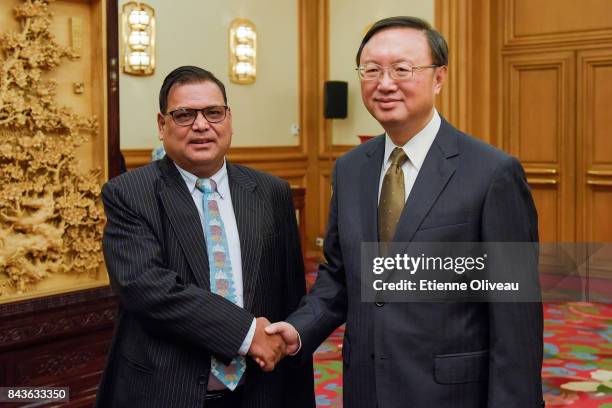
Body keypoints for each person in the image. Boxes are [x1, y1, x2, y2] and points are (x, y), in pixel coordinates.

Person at [267, 16, 544, 407]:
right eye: (372, 70)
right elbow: (339, 279)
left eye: (402, 69)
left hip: (450, 392)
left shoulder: (492, 173)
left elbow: (516, 321)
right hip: (366, 385)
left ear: (438, 78)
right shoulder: (349, 170)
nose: (384, 83)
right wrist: (297, 332)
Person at [96, 66, 314, 408]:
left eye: (213, 112)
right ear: (161, 124)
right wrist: (246, 334)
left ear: (229, 119)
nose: (201, 125)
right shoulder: (129, 194)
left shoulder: (271, 192)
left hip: (260, 390)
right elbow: (148, 288)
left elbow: (290, 295)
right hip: (166, 392)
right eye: (184, 115)